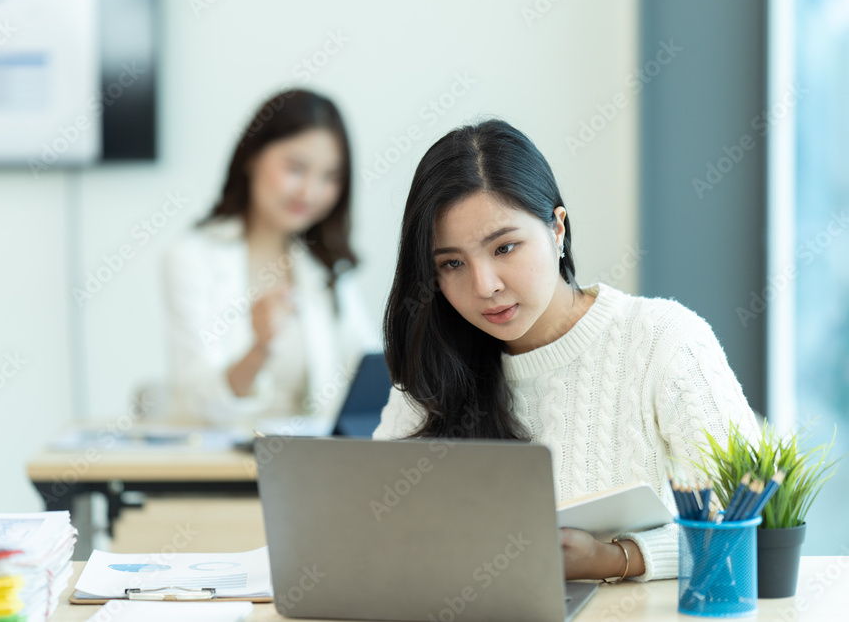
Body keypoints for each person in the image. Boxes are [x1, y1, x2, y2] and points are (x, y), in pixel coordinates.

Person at [373, 119, 761, 582]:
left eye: (505, 247)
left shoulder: (663, 339)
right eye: (452, 263)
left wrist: (618, 558)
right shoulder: (435, 365)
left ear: (557, 229)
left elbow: (752, 527)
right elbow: (381, 530)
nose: (485, 286)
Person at [164, 90, 378, 429]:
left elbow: (369, 368)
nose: (310, 193)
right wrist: (259, 348)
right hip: (221, 471)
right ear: (252, 156)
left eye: (330, 177)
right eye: (296, 168)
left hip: (310, 468)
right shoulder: (193, 257)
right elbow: (199, 404)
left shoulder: (324, 262)